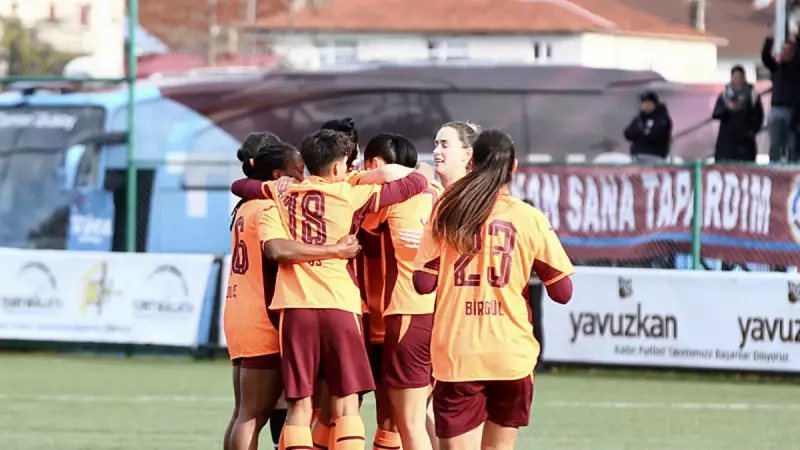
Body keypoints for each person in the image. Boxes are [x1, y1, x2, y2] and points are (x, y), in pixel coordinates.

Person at [233, 129, 434, 450]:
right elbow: (411, 185)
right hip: (341, 306)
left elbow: (272, 243)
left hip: (294, 309)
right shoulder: (349, 193)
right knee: (346, 405)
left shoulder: (281, 196)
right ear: (340, 167)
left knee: (300, 406)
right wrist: (424, 169)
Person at [412, 130, 575, 449]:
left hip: (458, 352)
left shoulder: (446, 211)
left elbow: (422, 283)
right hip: (510, 354)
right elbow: (563, 291)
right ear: (513, 167)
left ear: (470, 162)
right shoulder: (529, 217)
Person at [222, 132, 362, 450]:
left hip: (237, 311)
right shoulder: (271, 206)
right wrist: (335, 250)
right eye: (297, 170)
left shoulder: (247, 206)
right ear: (276, 175)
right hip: (263, 315)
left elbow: (239, 186)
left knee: (247, 412)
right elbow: (277, 259)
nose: (303, 176)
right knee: (256, 414)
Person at [360, 133, 442, 450]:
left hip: (401, 315)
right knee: (415, 415)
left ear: (375, 163)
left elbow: (361, 237)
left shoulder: (388, 198)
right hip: (440, 312)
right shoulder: (436, 191)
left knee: (403, 420)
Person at [712, 65, 765, 162]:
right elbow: (716, 114)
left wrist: (752, 131)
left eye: (740, 77)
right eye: (735, 77)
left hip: (745, 142)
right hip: (726, 142)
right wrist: (728, 108)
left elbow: (759, 116)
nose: (738, 80)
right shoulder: (725, 95)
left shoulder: (752, 95)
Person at [762, 34, 799, 163]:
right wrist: (768, 43)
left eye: (788, 51)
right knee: (775, 144)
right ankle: (774, 168)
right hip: (776, 109)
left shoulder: (796, 68)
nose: (785, 53)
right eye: (783, 50)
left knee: (792, 143)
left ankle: (792, 169)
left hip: (792, 111)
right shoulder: (777, 68)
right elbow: (766, 59)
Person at [623, 91, 672, 163]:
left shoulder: (661, 119)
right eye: (644, 103)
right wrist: (642, 133)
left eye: (649, 103)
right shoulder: (639, 119)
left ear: (655, 104)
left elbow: (655, 135)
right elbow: (628, 133)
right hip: (637, 156)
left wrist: (639, 134)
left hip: (654, 157)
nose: (646, 105)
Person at [433, 121, 480, 188]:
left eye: (445, 145)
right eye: (436, 145)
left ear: (466, 154)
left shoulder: (478, 195)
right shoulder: (427, 192)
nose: (435, 151)